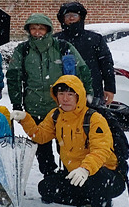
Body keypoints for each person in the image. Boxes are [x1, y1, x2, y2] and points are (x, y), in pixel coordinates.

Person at [11, 75, 125, 207]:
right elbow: (40, 136)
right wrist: (25, 119)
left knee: (97, 177)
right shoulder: (56, 115)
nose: (65, 99)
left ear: (79, 96)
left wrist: (85, 169)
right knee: (47, 188)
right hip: (76, 175)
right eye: (61, 94)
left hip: (108, 176)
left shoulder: (94, 118)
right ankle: (90, 203)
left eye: (70, 94)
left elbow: (101, 150)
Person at [7, 13, 92, 176]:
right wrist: (16, 102)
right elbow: (13, 76)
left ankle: (70, 174)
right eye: (33, 28)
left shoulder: (62, 47)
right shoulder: (23, 50)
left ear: (48, 29)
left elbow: (82, 70)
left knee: (68, 144)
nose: (37, 32)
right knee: (41, 146)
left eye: (41, 28)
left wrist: (87, 96)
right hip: (35, 105)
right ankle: (50, 176)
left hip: (63, 106)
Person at [55, 2, 116, 106]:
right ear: (62, 19)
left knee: (92, 115)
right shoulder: (55, 40)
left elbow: (107, 64)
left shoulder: (95, 39)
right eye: (67, 15)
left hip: (92, 89)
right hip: (63, 91)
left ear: (81, 17)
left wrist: (109, 88)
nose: (71, 18)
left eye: (74, 15)